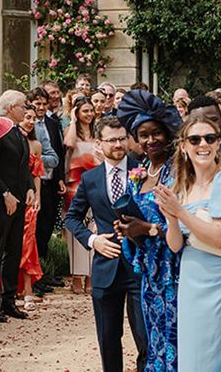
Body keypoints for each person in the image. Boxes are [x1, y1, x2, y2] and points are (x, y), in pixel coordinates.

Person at [155, 116, 221, 372]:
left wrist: (181, 213)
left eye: (210, 138)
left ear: (218, 143)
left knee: (220, 357)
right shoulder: (182, 186)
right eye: (195, 139)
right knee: (194, 357)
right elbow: (175, 246)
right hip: (191, 279)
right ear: (184, 146)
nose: (203, 144)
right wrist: (171, 219)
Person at [66, 115, 147, 372]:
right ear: (99, 144)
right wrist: (93, 240)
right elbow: (72, 218)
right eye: (111, 140)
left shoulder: (144, 172)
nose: (118, 144)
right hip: (105, 266)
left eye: (122, 138)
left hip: (139, 267)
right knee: (109, 339)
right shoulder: (90, 180)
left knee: (146, 339)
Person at [115, 90, 183, 372]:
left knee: (175, 336)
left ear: (168, 134)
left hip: (175, 268)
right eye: (143, 135)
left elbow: (186, 218)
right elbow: (135, 217)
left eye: (156, 133)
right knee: (151, 336)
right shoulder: (139, 171)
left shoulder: (178, 170)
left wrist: (150, 228)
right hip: (149, 271)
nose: (151, 140)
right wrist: (128, 230)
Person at [0, 90, 33, 322]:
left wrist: (30, 187)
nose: (26, 109)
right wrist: (5, 193)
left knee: (14, 251)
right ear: (11, 107)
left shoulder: (17, 132)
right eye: (23, 106)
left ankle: (9, 300)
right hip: (1, 201)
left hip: (19, 199)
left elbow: (24, 164)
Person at [63, 95, 100, 294]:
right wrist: (73, 120)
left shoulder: (98, 133)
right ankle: (77, 276)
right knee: (76, 233)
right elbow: (68, 144)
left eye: (90, 110)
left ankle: (91, 276)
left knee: (95, 230)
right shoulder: (70, 132)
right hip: (74, 187)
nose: (89, 114)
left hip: (95, 185)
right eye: (84, 110)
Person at [30, 87, 65, 289]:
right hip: (35, 183)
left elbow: (58, 152)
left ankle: (43, 270)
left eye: (44, 104)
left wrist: (60, 177)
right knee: (35, 230)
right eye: (37, 104)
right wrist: (37, 159)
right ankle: (34, 277)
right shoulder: (29, 125)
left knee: (47, 228)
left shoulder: (52, 123)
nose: (41, 107)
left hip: (51, 181)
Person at [17, 106, 46, 312]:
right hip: (11, 198)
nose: (30, 121)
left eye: (33, 119)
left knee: (28, 245)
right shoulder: (11, 142)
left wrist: (38, 197)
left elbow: (37, 175)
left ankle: (28, 290)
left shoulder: (36, 144)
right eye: (27, 117)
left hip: (29, 201)